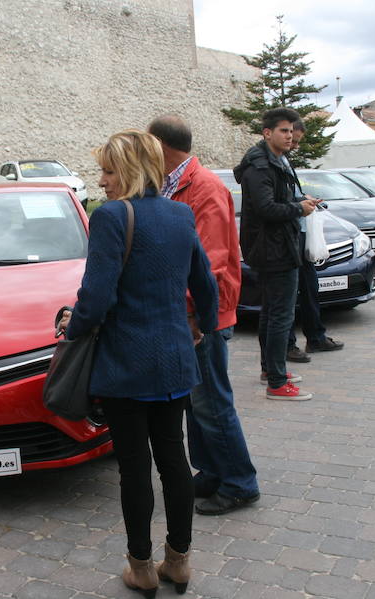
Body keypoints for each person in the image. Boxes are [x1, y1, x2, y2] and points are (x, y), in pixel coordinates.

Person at [58, 129, 218, 598]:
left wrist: (73, 329)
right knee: (174, 459)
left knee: (134, 467)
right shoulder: (180, 213)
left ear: (127, 170)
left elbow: (97, 295)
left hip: (126, 363)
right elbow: (204, 283)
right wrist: (203, 325)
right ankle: (180, 562)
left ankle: (142, 567)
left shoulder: (111, 217)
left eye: (108, 170)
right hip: (173, 359)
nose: (102, 181)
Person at [147, 115, 261, 517]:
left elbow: (209, 262)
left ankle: (240, 483)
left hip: (203, 316)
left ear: (161, 145)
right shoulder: (174, 183)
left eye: (148, 145)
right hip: (186, 313)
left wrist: (195, 315)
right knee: (196, 403)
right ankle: (212, 470)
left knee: (212, 402)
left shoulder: (204, 188)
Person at [234, 107, 319, 401]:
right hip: (274, 249)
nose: (289, 136)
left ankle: (270, 371)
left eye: (290, 130)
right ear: (267, 133)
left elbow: (276, 199)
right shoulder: (260, 166)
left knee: (272, 313)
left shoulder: (274, 161)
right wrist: (299, 208)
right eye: (284, 131)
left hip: (277, 245)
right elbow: (267, 208)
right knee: (280, 316)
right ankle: (278, 382)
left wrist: (299, 199)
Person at [285, 120, 343, 365]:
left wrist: (303, 199)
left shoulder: (285, 161)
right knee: (285, 298)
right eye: (290, 137)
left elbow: (289, 194)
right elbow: (272, 203)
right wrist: (299, 202)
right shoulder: (267, 163)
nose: (293, 144)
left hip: (300, 235)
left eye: (296, 140)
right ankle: (286, 346)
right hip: (285, 240)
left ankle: (316, 336)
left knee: (310, 287)